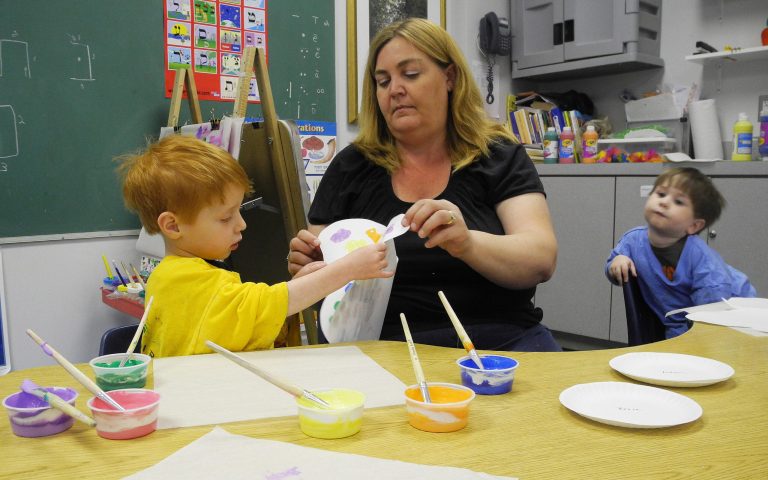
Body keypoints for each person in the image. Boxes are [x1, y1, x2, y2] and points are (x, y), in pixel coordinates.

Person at [288, 18, 560, 351]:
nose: (395, 89)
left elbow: (540, 260)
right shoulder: (351, 167)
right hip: (384, 348)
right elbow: (319, 283)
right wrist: (310, 269)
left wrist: (467, 244)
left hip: (501, 342)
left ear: (450, 77)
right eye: (383, 81)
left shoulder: (498, 156)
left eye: (411, 74)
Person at [118, 135, 393, 357]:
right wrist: (347, 269)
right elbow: (264, 305)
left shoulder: (172, 275)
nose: (241, 225)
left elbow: (248, 318)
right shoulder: (188, 281)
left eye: (239, 211)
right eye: (226, 217)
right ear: (173, 226)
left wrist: (298, 284)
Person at [606, 167, 756, 338]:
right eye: (661, 194)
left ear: (694, 225)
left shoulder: (700, 257)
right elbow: (612, 266)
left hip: (736, 313)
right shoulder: (632, 240)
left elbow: (711, 312)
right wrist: (617, 261)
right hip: (678, 320)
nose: (664, 202)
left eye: (678, 202)